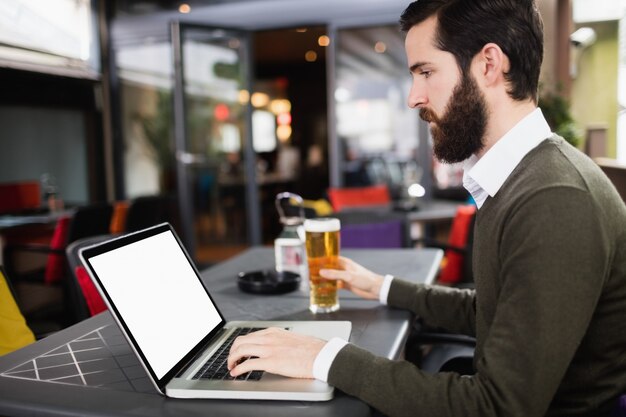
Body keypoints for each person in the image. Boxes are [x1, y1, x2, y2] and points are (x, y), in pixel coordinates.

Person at [227, 0, 626, 415]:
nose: (414, 97)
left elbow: (498, 407)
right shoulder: (521, 178)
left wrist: (323, 358)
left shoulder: (553, 199)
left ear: (489, 64)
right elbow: (489, 309)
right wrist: (378, 286)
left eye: (426, 72)